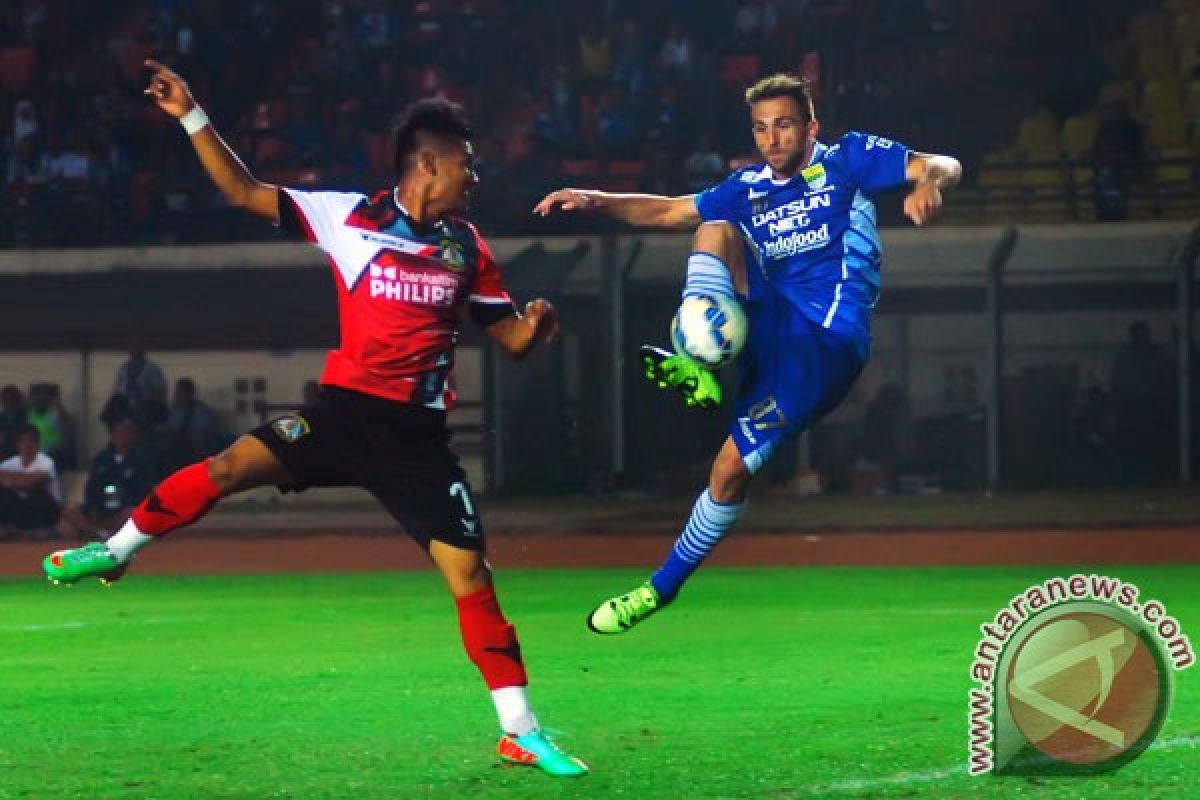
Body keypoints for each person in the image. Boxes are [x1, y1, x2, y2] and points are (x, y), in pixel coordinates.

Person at [43, 60, 587, 778]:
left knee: (471, 577)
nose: (474, 178)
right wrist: (191, 115)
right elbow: (242, 190)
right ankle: (114, 551)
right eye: (466, 165)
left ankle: (519, 730)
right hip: (341, 416)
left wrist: (537, 323)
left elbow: (510, 340)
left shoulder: (468, 248)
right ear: (427, 163)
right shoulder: (347, 216)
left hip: (417, 441)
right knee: (230, 466)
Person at [535, 73, 961, 633]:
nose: (771, 139)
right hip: (772, 321)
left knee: (732, 466)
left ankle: (658, 588)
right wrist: (597, 199)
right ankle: (700, 360)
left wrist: (927, 182)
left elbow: (945, 163)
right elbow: (667, 211)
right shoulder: (749, 186)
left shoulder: (849, 161)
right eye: (761, 128)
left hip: (826, 341)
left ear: (810, 126)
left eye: (783, 125)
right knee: (715, 226)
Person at [60, 419, 155, 540]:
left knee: (134, 514)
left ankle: (114, 533)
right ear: (112, 436)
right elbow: (91, 487)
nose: (122, 438)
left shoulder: (141, 461)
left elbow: (145, 491)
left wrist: (125, 501)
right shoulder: (101, 459)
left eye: (126, 434)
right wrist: (95, 504)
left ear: (132, 437)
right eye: (119, 434)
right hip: (100, 508)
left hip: (125, 509)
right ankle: (96, 532)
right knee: (69, 512)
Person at [0, 425, 62, 540]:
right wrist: (23, 478)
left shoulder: (46, 462)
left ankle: (43, 529)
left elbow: (32, 482)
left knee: (36, 492)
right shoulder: (10, 463)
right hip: (21, 509)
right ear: (17, 445)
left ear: (38, 444)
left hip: (46, 509)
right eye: (23, 441)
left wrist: (10, 478)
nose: (27, 445)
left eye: (31, 441)